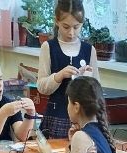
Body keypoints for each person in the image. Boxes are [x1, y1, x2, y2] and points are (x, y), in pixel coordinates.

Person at [36, 0, 98, 139]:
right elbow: (41, 87)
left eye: (76, 27)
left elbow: (96, 91)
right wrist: (59, 76)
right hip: (56, 116)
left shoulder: (89, 50)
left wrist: (87, 79)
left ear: (82, 23)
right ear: (57, 21)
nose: (71, 33)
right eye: (66, 27)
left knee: (81, 151)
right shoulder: (48, 47)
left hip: (82, 120)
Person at [36, 76, 118, 153]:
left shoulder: (81, 136)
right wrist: (72, 143)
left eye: (68, 102)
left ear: (76, 107)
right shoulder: (100, 129)